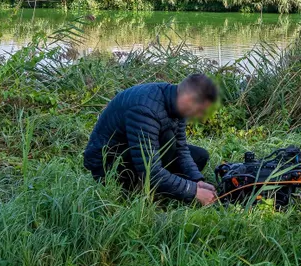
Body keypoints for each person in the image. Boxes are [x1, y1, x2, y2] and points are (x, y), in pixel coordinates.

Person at [83, 74, 219, 206]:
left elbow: (181, 148)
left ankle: (165, 185)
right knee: (167, 140)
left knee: (200, 156)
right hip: (109, 166)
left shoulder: (176, 104)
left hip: (138, 154)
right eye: (200, 110)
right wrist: (192, 191)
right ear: (188, 99)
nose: (201, 117)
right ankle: (141, 190)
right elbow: (151, 170)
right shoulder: (145, 109)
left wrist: (196, 180)